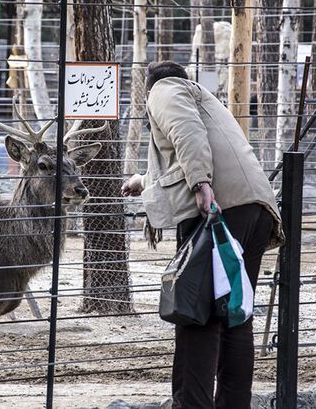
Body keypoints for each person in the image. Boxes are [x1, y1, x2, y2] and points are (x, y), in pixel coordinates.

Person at [121, 61, 284, 409]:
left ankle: (191, 405)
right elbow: (191, 150)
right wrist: (143, 180)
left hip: (217, 210)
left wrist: (201, 185)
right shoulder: (205, 97)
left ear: (151, 87)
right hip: (255, 210)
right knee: (236, 314)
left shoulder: (165, 91)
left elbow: (186, 133)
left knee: (197, 314)